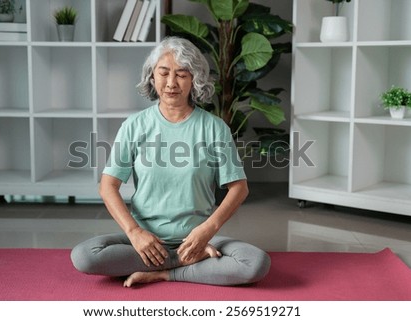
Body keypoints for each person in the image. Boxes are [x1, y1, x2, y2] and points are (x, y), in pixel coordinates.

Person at [71, 36, 270, 287]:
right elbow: (107, 186)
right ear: (152, 77)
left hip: (197, 239)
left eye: (182, 74)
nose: (171, 83)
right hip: (147, 242)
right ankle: (189, 264)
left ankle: (164, 272)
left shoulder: (214, 128)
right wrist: (135, 233)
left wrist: (206, 231)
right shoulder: (134, 126)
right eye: (163, 73)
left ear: (194, 79)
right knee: (85, 256)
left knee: (255, 262)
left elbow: (239, 188)